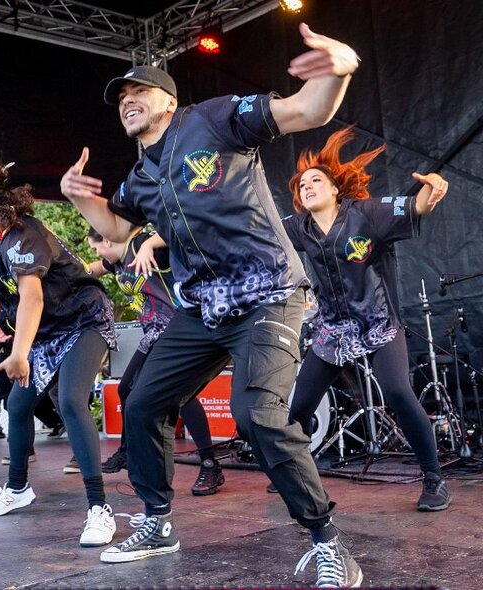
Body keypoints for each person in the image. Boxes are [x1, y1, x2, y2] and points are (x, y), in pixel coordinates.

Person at [60, 22, 364, 587]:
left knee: (256, 416)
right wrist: (82, 201)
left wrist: (339, 71)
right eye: (121, 100)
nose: (128, 103)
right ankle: (157, 522)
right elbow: (117, 232)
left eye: (139, 94)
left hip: (268, 293)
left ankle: (328, 543)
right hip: (203, 308)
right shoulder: (141, 175)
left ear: (168, 100)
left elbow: (306, 111)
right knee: (143, 402)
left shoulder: (212, 119)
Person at [281, 127, 451, 511]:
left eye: (315, 180)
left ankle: (434, 480)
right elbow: (255, 232)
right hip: (332, 331)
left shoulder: (367, 215)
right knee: (299, 408)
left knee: (396, 392)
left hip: (377, 322)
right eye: (301, 184)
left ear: (335, 189)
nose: (307, 186)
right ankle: (296, 476)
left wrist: (433, 187)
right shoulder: (298, 228)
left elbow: (418, 205)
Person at [0, 155, 118, 547]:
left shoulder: (23, 235)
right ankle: (17, 489)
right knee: (17, 406)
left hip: (84, 320)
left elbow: (31, 297)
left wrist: (18, 353)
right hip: (50, 331)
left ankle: (99, 508)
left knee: (70, 400)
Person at [88, 226, 224, 496]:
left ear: (106, 239)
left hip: (177, 329)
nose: (96, 252)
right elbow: (91, 268)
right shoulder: (115, 260)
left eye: (95, 246)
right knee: (127, 389)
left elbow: (178, 232)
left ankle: (210, 464)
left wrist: (149, 244)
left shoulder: (139, 244)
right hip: (153, 333)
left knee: (181, 397)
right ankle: (128, 451)